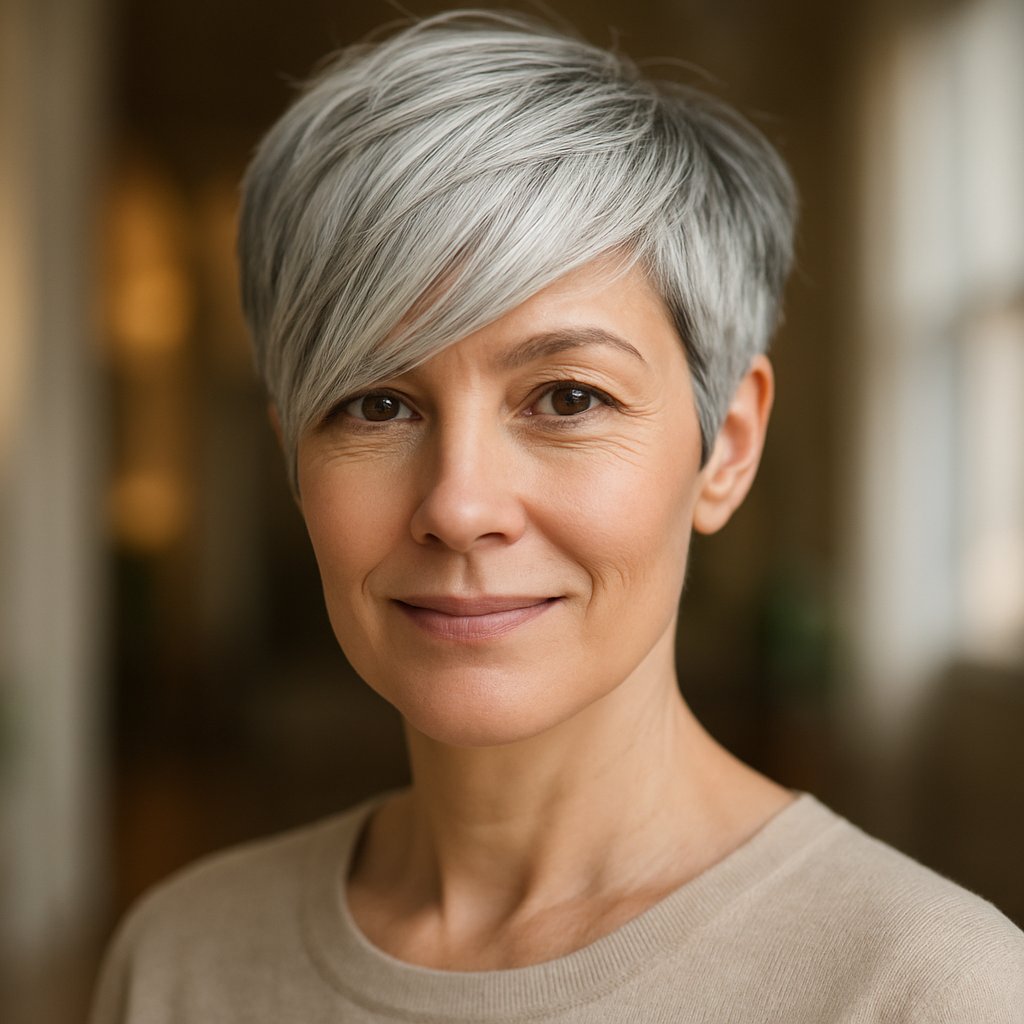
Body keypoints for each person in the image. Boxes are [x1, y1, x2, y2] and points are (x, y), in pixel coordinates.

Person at [90, 10, 1024, 1022]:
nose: (458, 505)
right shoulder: (179, 957)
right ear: (291, 452)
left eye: (567, 397)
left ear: (728, 446)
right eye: (376, 404)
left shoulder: (930, 988)